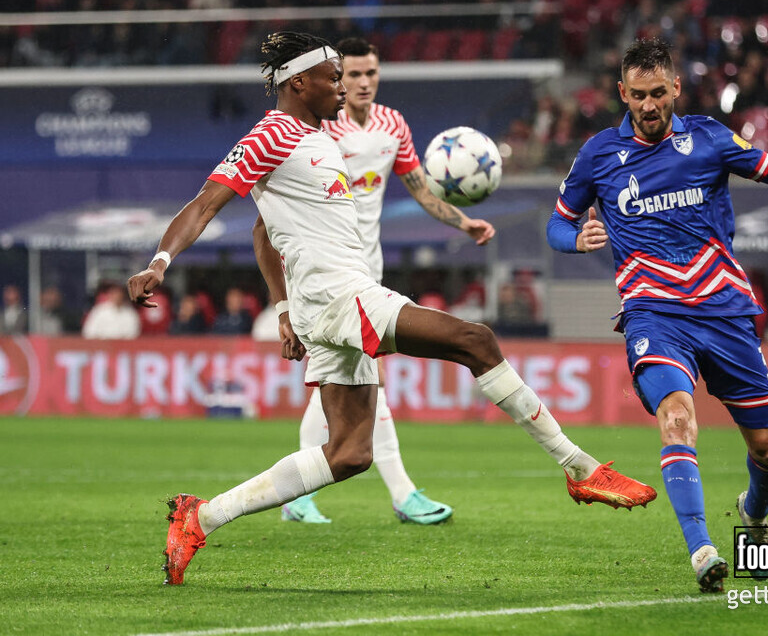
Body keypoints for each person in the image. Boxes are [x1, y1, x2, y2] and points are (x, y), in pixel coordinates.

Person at [127, 31, 656, 586]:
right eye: (333, 77)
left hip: (327, 301)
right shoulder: (270, 135)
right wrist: (160, 263)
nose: (342, 87)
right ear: (299, 83)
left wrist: (284, 307)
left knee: (350, 453)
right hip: (337, 298)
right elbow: (204, 204)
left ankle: (201, 517)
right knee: (476, 340)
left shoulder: (318, 138)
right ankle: (579, 467)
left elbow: (265, 231)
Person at [546, 38, 768, 593]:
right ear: (622, 93)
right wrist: (575, 239)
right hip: (653, 313)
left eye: (657, 93)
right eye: (637, 95)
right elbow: (556, 223)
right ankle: (702, 549)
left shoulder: (709, 137)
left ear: (676, 87)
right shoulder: (598, 154)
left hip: (725, 312)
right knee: (677, 417)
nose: (648, 105)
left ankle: (753, 512)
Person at [269, 36, 497, 526]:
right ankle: (402, 493)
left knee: (347, 381)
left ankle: (300, 495)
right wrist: (282, 301)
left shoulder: (393, 125)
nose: (362, 82)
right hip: (324, 275)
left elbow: (421, 189)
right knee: (366, 378)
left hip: (366, 267)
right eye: (351, 74)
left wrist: (464, 223)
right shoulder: (317, 130)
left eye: (370, 73)